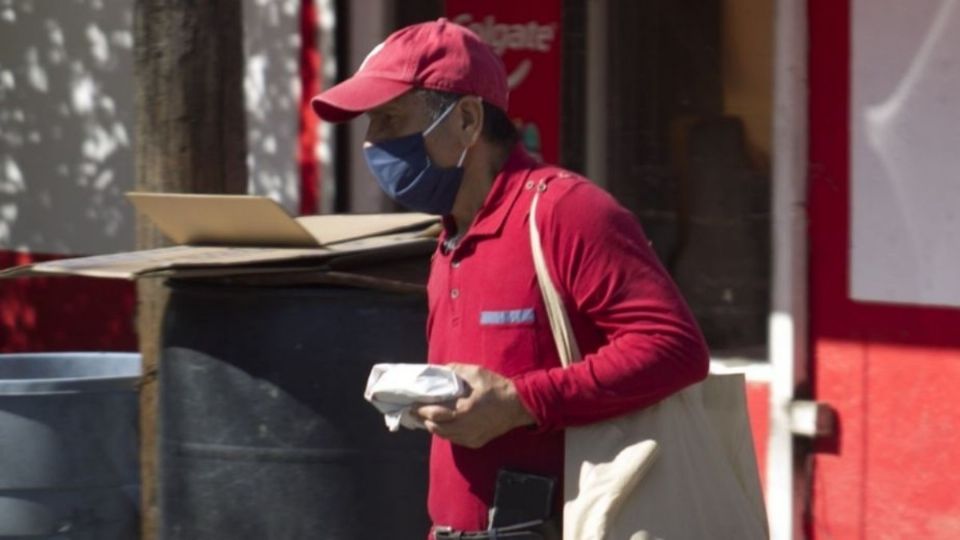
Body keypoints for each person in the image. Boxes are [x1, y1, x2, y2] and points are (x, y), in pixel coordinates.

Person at [311, 18, 710, 539]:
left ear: (468, 121)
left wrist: (521, 404)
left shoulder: (565, 212)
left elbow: (676, 346)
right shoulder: (450, 235)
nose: (372, 144)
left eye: (389, 119)